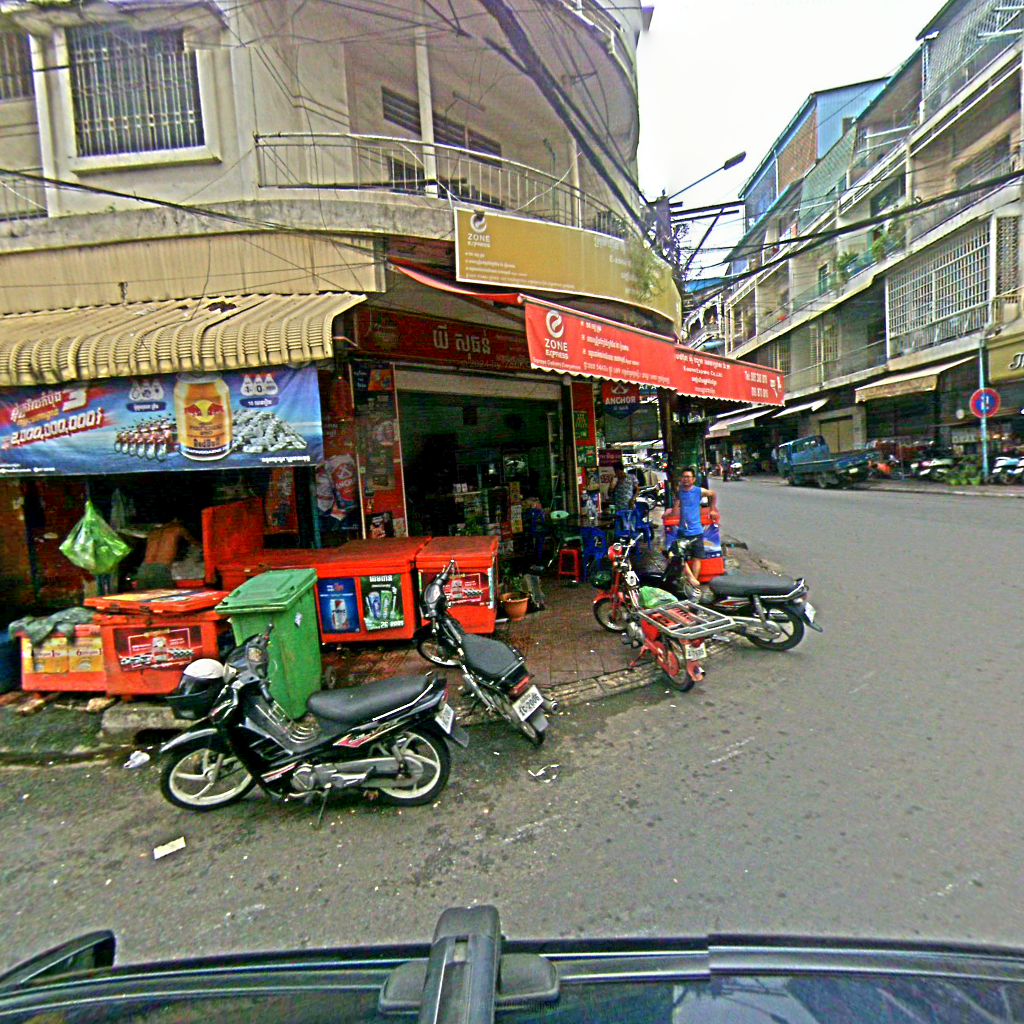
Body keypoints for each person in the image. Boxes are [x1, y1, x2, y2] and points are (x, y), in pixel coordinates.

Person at [673, 465, 719, 599]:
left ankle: (693, 583)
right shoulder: (679, 491)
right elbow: (676, 507)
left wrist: (712, 508)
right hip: (683, 531)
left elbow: (713, 494)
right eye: (684, 477)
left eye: (688, 477)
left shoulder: (699, 491)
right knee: (677, 555)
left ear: (693, 479)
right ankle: (691, 578)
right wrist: (671, 512)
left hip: (696, 530)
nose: (686, 479)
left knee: (697, 557)